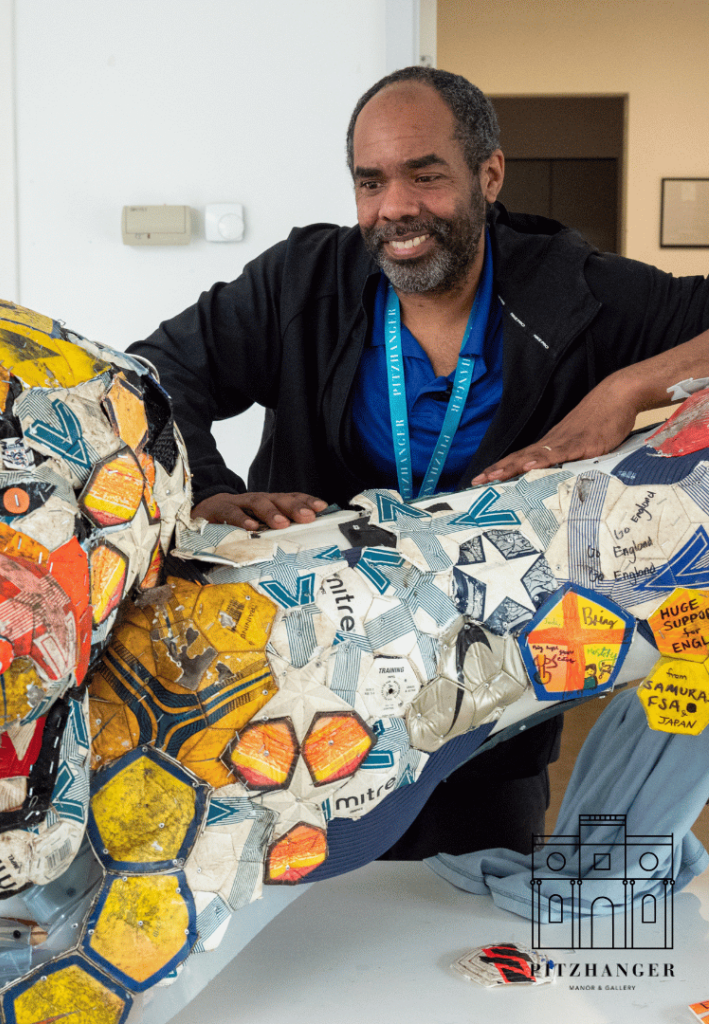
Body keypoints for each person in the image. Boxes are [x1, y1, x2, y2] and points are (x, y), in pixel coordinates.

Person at [128, 66, 709, 857]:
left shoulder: (576, 291)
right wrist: (208, 491)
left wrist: (626, 388)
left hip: (487, 734)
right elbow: (148, 381)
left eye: (425, 176)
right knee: (309, 955)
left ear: (488, 175)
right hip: (295, 722)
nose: (394, 208)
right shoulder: (305, 281)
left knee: (452, 953)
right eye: (370, 182)